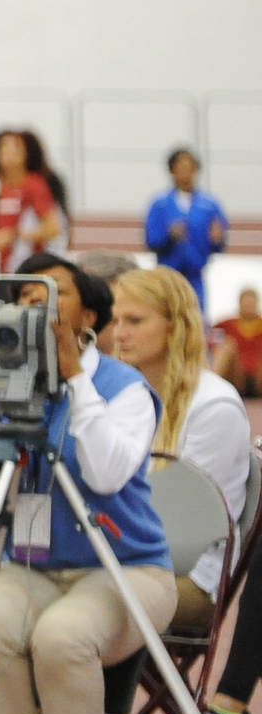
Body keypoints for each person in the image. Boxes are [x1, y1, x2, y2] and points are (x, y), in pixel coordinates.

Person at [0, 253, 171, 714]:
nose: (37, 305)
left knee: (62, 637)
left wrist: (75, 379)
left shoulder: (125, 389)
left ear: (90, 315)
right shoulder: (12, 377)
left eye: (55, 293)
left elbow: (103, 475)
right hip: (34, 565)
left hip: (125, 570)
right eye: (24, 297)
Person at [109, 266, 249, 633]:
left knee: (66, 605)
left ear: (175, 325)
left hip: (188, 579)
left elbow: (182, 532)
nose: (119, 334)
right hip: (126, 561)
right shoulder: (122, 396)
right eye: (116, 320)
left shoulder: (213, 406)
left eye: (135, 321)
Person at [144, 147, 228, 310]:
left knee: (195, 316)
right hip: (167, 275)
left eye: (189, 166)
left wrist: (217, 239)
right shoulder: (160, 204)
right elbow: (151, 240)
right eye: (180, 167)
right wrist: (169, 235)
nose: (185, 172)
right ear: (172, 170)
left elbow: (218, 242)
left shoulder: (209, 204)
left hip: (195, 274)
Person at [0, 128, 66, 275]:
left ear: (26, 153)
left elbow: (53, 228)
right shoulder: (3, 189)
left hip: (31, 271)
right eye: (4, 146)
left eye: (16, 146)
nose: (9, 151)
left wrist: (13, 236)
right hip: (6, 270)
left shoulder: (34, 185)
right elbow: (5, 226)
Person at [212, 288, 262, 398]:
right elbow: (209, 341)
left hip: (259, 378)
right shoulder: (226, 324)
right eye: (246, 304)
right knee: (227, 345)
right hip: (237, 377)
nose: (249, 307)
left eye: (251, 305)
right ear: (240, 304)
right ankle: (210, 386)